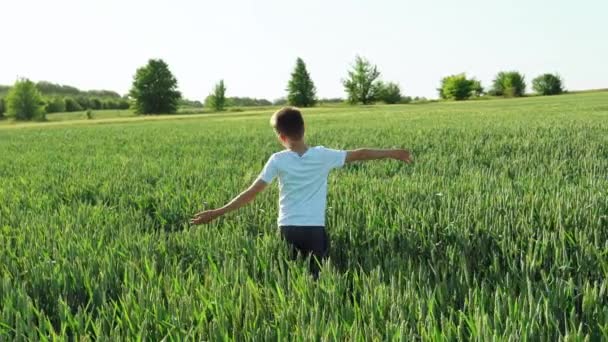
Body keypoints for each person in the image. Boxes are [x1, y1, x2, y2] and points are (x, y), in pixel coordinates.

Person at [191, 107, 412, 278]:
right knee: (318, 278)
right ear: (304, 128)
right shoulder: (322, 155)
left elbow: (251, 193)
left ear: (280, 137)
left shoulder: (277, 160)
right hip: (314, 229)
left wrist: (217, 212)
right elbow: (361, 154)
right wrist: (393, 152)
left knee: (293, 275)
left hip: (287, 228)